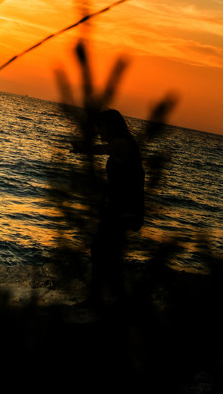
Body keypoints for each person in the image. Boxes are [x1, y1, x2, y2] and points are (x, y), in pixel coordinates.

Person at [71, 108, 144, 306]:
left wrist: (82, 148)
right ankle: (117, 299)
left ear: (111, 127)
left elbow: (102, 150)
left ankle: (101, 298)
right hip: (118, 210)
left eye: (101, 127)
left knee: (101, 250)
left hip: (123, 212)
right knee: (108, 254)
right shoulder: (124, 144)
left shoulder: (122, 144)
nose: (98, 131)